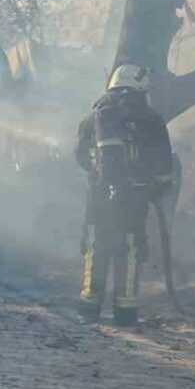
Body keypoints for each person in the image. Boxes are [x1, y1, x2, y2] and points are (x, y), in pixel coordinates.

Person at [74, 64, 175, 326]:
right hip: (134, 197)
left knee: (96, 245)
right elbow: (164, 164)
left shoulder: (94, 116)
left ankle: (89, 306)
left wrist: (101, 177)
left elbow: (80, 155)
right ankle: (125, 311)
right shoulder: (151, 118)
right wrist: (154, 186)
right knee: (129, 248)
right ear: (140, 87)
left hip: (98, 197)